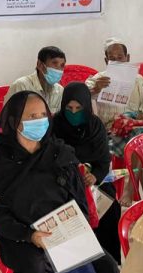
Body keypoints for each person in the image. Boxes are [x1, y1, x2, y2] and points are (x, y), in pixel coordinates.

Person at [0, 91, 119, 273]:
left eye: (43, 115)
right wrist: (30, 235)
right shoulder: (0, 160)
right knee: (36, 268)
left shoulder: (59, 152)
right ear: (15, 121)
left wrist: (73, 226)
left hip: (62, 231)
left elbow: (78, 198)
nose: (39, 121)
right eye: (32, 116)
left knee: (106, 265)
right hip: (21, 236)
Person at [52, 82, 122, 262]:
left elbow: (103, 160)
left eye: (78, 107)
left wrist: (95, 176)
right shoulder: (55, 125)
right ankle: (76, 260)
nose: (73, 112)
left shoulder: (95, 126)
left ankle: (108, 261)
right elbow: (50, 157)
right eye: (69, 108)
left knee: (110, 204)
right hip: (63, 182)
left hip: (91, 181)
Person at [85, 37, 143, 130]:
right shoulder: (98, 80)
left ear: (127, 58)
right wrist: (96, 89)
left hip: (135, 129)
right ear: (106, 61)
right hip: (109, 131)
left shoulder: (139, 80)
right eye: (112, 58)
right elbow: (81, 97)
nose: (116, 62)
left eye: (120, 57)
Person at [5, 46, 66, 113]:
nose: (59, 69)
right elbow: (9, 118)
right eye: (54, 63)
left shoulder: (60, 90)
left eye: (62, 65)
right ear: (40, 65)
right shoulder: (21, 86)